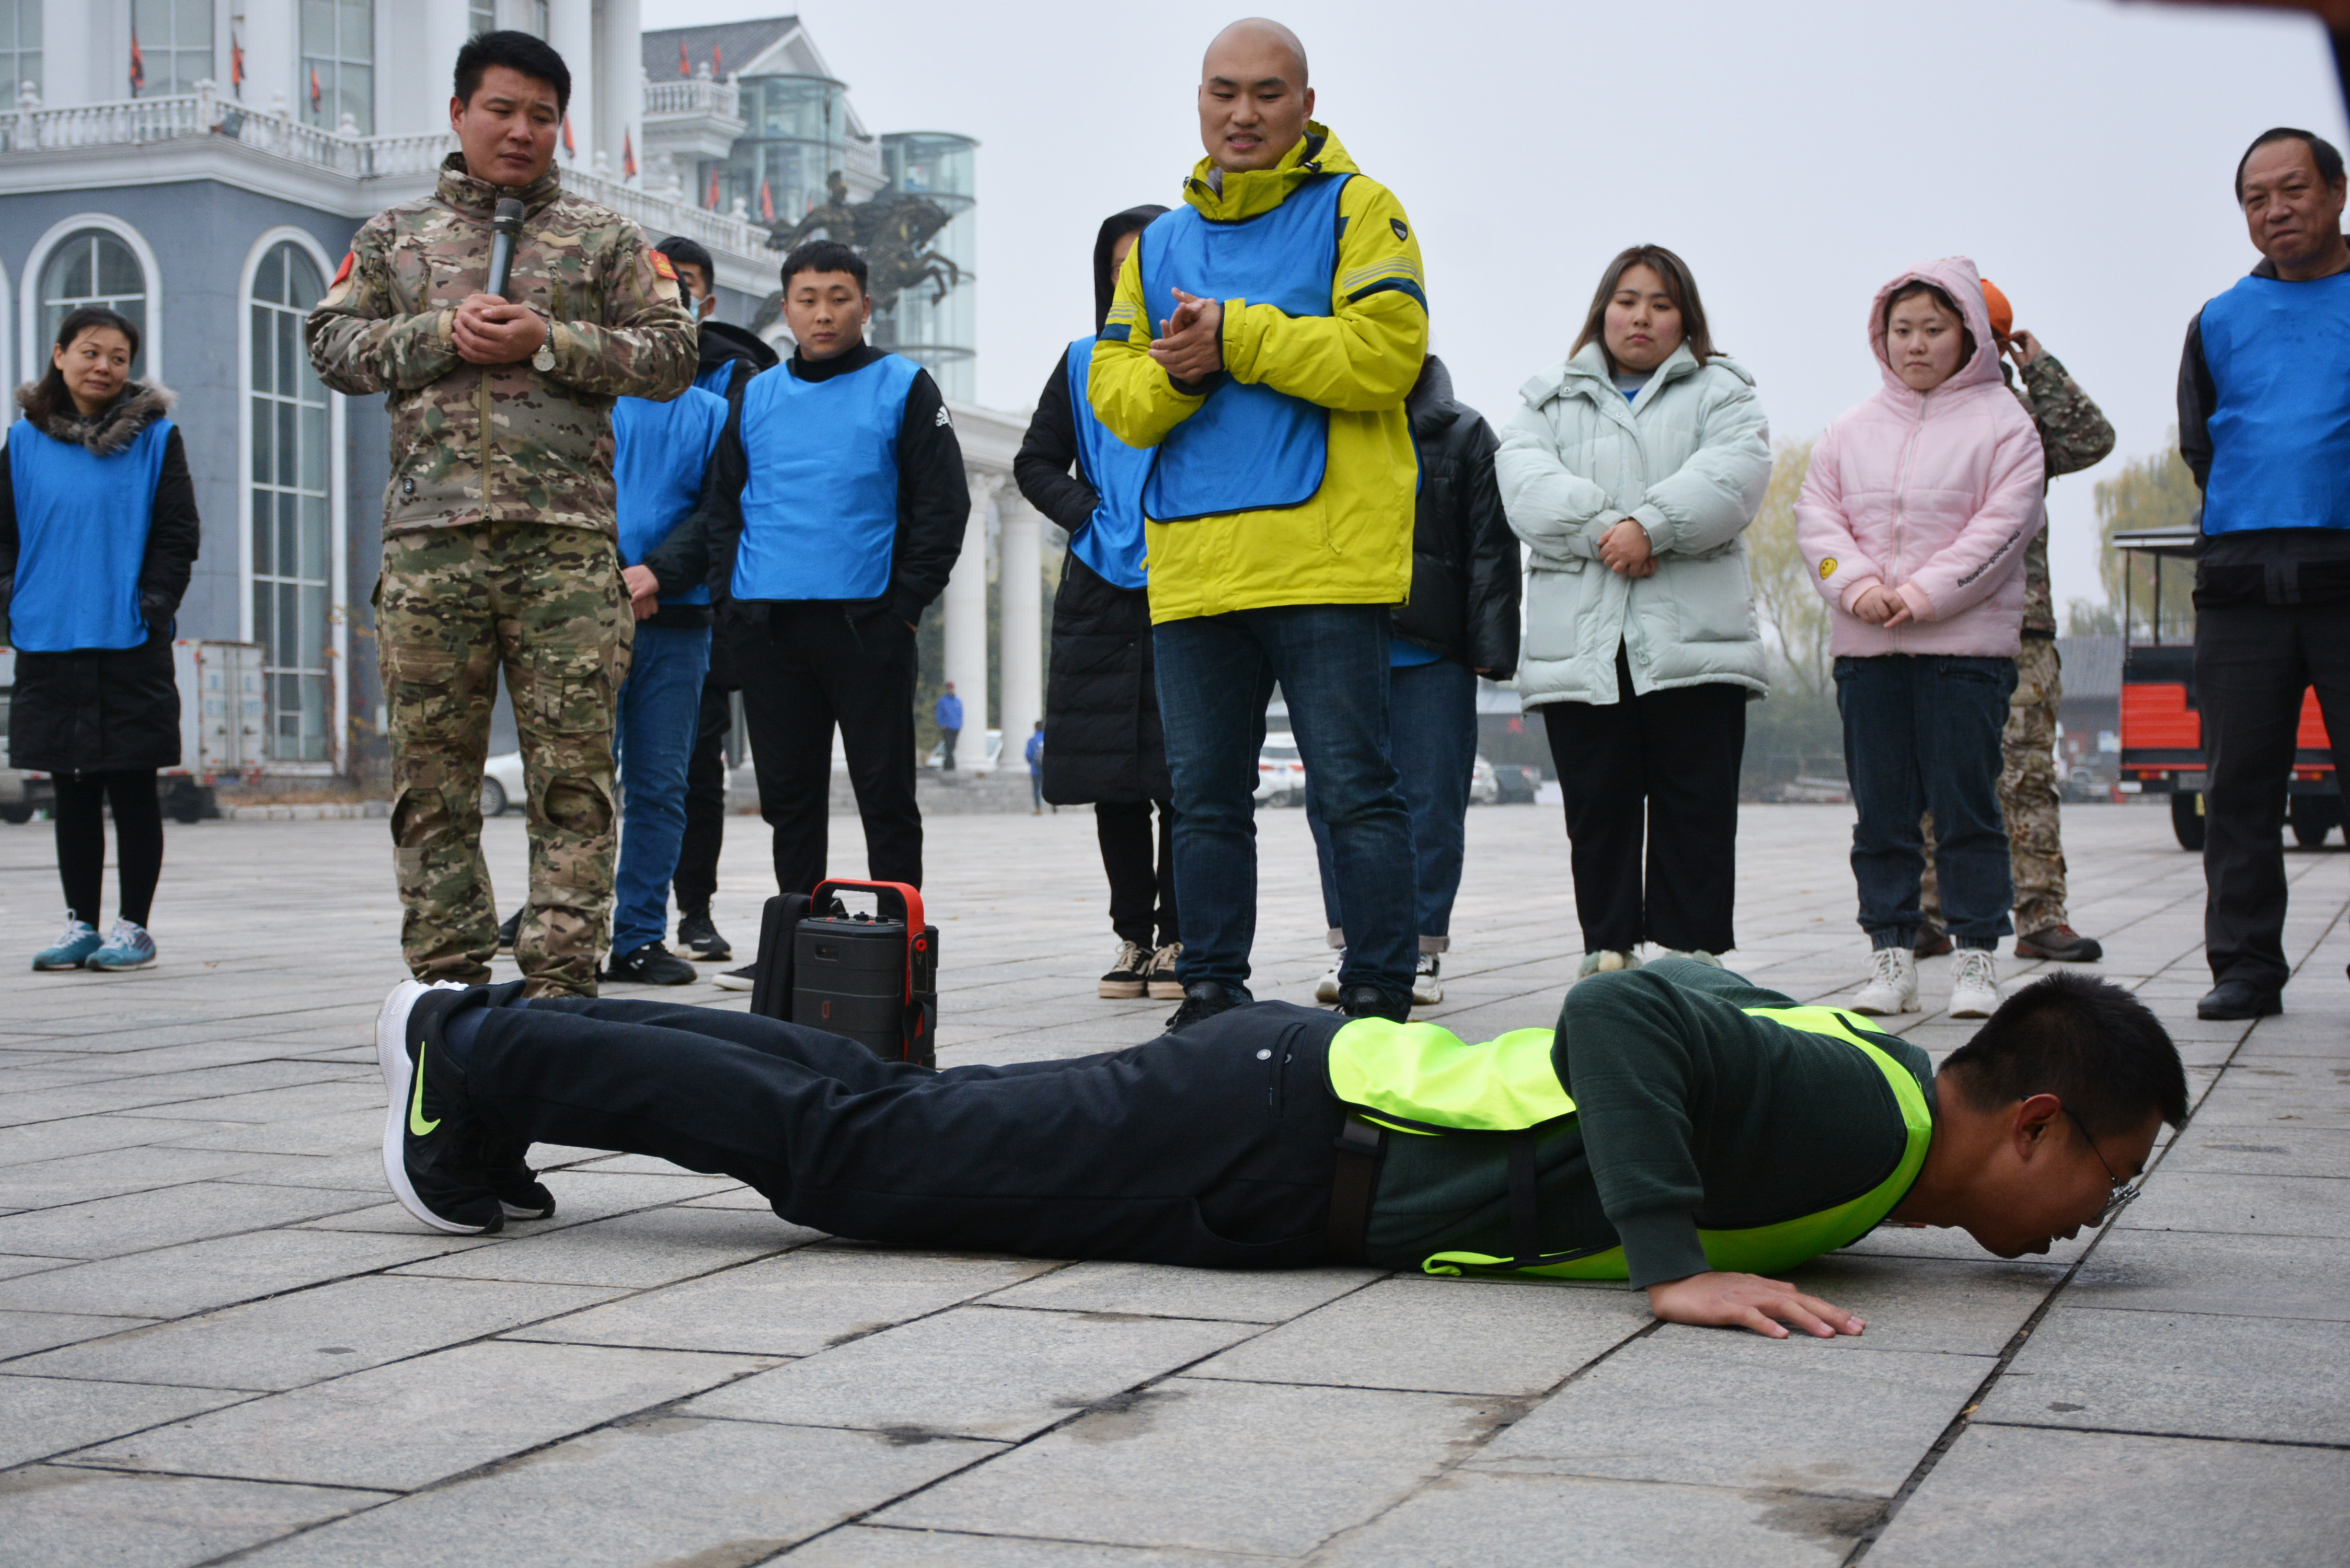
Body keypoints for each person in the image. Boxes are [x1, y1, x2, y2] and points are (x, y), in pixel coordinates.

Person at [376, 958, 2184, 1341]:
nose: (2082, 1217)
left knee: (882, 1122)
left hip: (1283, 1112)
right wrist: (1671, 1258)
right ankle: (483, 1049)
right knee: (859, 1160)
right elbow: (1631, 1013)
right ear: (2030, 1119)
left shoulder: (1866, 1082)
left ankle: (510, 1052)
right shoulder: (1866, 1116)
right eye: (2098, 1179)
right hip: (1277, 1136)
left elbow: (1694, 985)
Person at [306, 30, 697, 998]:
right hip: (429, 549)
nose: (521, 131)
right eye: (501, 110)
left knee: (573, 778)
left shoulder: (606, 241)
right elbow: (328, 344)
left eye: (541, 115)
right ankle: (445, 983)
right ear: (458, 114)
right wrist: (440, 333)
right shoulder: (394, 238)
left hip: (565, 553)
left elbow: (674, 354)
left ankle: (561, 984)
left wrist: (551, 338)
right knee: (432, 780)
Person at [1090, 20, 1425, 1029]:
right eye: (1223, 92)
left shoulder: (1362, 210)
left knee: (1355, 792)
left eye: (1268, 94)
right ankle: (1210, 992)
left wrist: (1233, 334)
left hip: (1323, 561)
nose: (1244, 113)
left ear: (1306, 106)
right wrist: (1179, 370)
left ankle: (1377, 993)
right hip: (1194, 563)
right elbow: (1118, 396)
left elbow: (1386, 356)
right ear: (1199, 99)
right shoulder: (1156, 245)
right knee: (1202, 801)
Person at [677, 238, 967, 998]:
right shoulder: (758, 394)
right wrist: (731, 606)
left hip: (866, 627)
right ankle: (796, 944)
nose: (824, 312)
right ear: (786, 308)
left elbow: (943, 507)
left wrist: (904, 609)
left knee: (886, 796)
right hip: (771, 631)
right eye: (807, 298)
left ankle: (904, 945)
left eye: (839, 297)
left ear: (866, 307)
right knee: (790, 802)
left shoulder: (904, 386)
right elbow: (724, 507)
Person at [1497, 247, 1770, 978]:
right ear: (1601, 310)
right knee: (1598, 804)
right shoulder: (1548, 398)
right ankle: (1608, 947)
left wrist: (1652, 527)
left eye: (1660, 302)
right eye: (1626, 300)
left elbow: (1735, 475)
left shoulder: (1723, 391)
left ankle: (1693, 954)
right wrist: (1606, 532)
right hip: (1584, 640)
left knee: (1698, 802)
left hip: (1692, 640)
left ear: (1686, 318)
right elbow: (1524, 484)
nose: (1641, 316)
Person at [1798, 258, 2046, 1021]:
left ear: (1968, 334)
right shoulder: (1849, 430)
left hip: (1965, 654)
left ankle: (1976, 957)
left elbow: (2004, 528)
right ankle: (1892, 956)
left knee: (1967, 807)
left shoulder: (2008, 425)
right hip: (1869, 652)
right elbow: (1817, 519)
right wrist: (1858, 585)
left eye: (1934, 329)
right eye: (1901, 329)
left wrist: (1924, 592)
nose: (1916, 344)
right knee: (1882, 813)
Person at [2176, 126, 2350, 1021]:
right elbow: (2203, 445)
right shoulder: (2217, 321)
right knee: (2238, 785)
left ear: (2336, 191)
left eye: (2292, 190)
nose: (2276, 210)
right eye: (2255, 198)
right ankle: (2244, 966)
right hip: (2241, 583)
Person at [1916, 279, 2115, 966]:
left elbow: (2092, 439)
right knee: (1934, 776)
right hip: (1932, 622)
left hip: (2020, 630)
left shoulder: (2024, 419)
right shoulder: (1910, 417)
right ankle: (1927, 914)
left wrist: (2042, 369)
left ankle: (2040, 917)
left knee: (2025, 777)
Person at [1013, 204, 1183, 1004]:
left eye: (1147, 265)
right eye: (1120, 267)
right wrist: (1088, 514)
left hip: (1195, 582)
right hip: (1100, 589)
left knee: (1189, 776)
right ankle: (1132, 937)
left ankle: (1184, 937)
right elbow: (1034, 460)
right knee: (1114, 776)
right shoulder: (1082, 362)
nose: (1133, 280)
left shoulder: (1209, 363)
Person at [1313, 353, 1520, 1007]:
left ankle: (1423, 948)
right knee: (1335, 803)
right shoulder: (1320, 415)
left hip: (1434, 653)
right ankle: (1354, 943)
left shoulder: (1464, 433)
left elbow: (1491, 548)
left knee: (1430, 802)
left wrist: (1490, 649)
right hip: (1337, 641)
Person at [2, 308, 198, 974]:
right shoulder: (23, 443)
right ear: (60, 356)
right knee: (71, 787)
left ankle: (133, 927)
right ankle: (80, 924)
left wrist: (153, 604)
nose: (103, 367)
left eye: (118, 357)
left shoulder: (156, 439)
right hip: (49, 636)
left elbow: (178, 533)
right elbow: (3, 536)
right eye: (90, 353)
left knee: (132, 785)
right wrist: (12, 601)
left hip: (128, 637)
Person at [650, 234, 778, 970]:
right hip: (604, 594)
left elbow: (724, 498)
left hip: (694, 605)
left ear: (708, 298)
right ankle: (567, 899)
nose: (668, 296)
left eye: (683, 284)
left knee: (693, 767)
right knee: (579, 763)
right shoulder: (607, 370)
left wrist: (657, 572)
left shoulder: (737, 380)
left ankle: (693, 908)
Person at [934, 683, 964, 774]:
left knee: (953, 746)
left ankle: (947, 764)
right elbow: (939, 713)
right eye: (949, 688)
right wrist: (941, 724)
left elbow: (960, 714)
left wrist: (960, 724)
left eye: (952, 688)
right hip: (947, 727)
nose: (951, 690)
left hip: (956, 727)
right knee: (949, 746)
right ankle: (951, 765)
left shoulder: (958, 701)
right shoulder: (942, 701)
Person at [1026, 721, 1047, 813]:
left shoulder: (1032, 740)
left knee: (1037, 789)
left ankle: (1038, 808)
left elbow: (1028, 755)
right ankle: (1054, 806)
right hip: (1049, 769)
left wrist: (1033, 763)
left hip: (1036, 769)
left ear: (1035, 728)